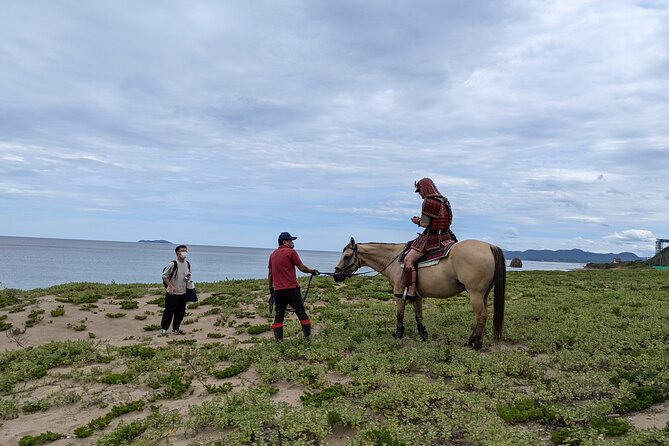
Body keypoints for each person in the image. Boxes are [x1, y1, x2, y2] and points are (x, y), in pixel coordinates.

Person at [403, 178, 457, 301]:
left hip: (433, 237)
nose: (419, 194)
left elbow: (425, 224)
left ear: (424, 189)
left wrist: (416, 220)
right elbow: (449, 221)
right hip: (446, 236)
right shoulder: (445, 201)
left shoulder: (428, 202)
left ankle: (411, 292)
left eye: (419, 191)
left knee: (408, 259)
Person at [268, 232, 320, 341]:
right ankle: (308, 339)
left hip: (278, 291)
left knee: (279, 316)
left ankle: (279, 342)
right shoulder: (291, 252)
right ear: (284, 242)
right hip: (291, 289)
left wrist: (271, 288)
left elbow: (270, 273)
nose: (292, 243)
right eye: (290, 240)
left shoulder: (272, 255)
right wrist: (312, 271)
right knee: (301, 313)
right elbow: (302, 268)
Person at [160, 244, 193, 336]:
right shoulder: (172, 264)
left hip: (183, 292)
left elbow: (188, 274)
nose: (184, 252)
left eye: (185, 250)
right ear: (177, 253)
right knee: (169, 312)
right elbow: (164, 276)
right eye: (182, 250)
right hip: (172, 293)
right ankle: (164, 328)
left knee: (180, 312)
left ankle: (175, 328)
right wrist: (170, 286)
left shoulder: (187, 264)